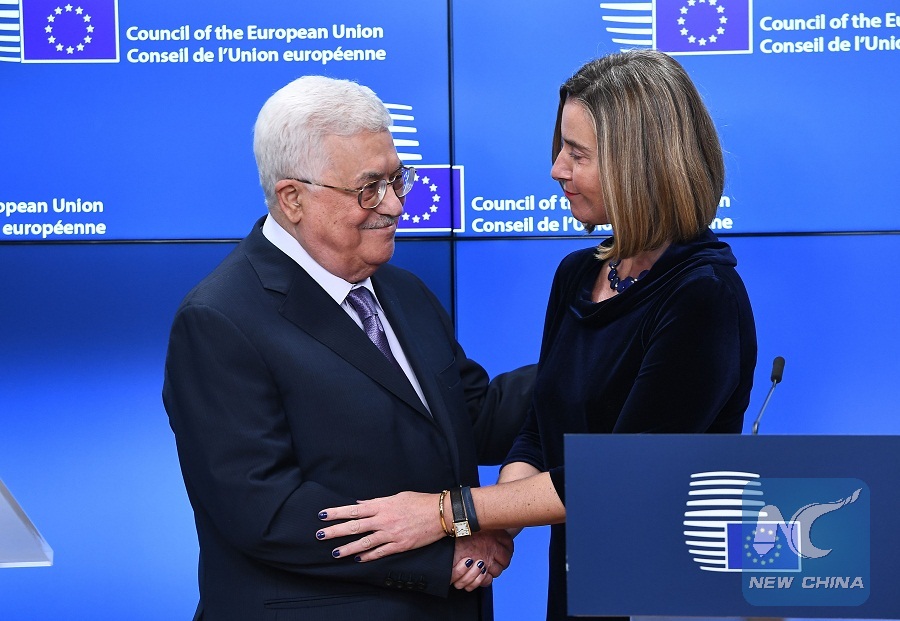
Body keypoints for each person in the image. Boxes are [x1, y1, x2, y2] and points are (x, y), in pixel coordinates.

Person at [314, 49, 758, 620]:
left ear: (640, 165)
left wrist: (447, 513)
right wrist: (496, 527)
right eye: (560, 148)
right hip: (581, 583)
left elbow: (620, 478)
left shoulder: (702, 295)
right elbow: (538, 433)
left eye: (578, 154)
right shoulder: (578, 275)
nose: (557, 169)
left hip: (665, 591)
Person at [162, 75, 533, 621]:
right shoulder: (218, 320)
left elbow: (474, 418)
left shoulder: (403, 290)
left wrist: (594, 358)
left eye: (397, 179)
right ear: (293, 198)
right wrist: (442, 552)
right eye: (369, 188)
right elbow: (265, 511)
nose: (395, 205)